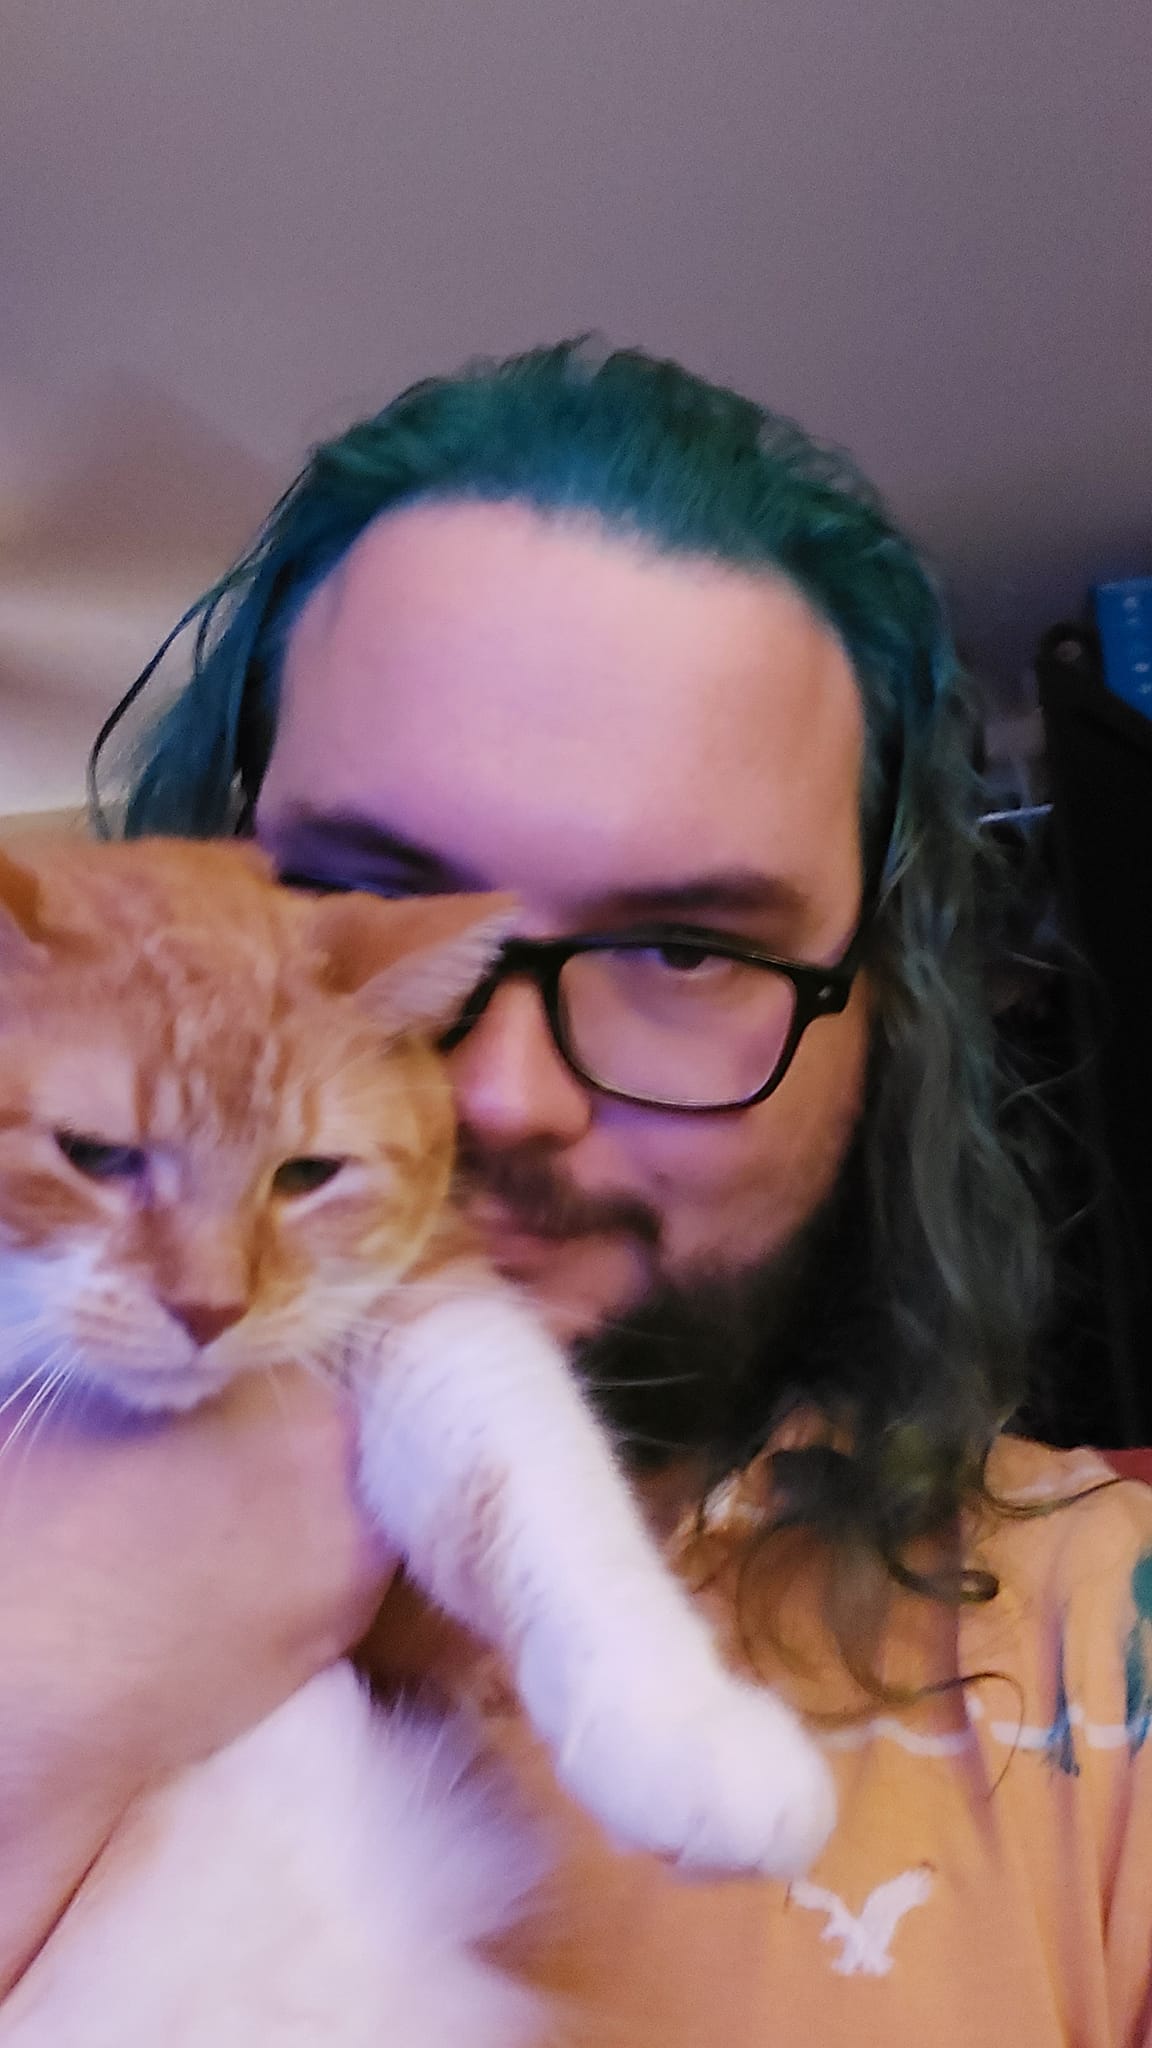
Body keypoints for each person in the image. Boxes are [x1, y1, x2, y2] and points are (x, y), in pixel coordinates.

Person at [5, 339, 1152, 2042]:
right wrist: (61, 1692)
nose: (488, 1093)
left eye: (685, 948)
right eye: (352, 899)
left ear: (884, 1018)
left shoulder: (1102, 1663)